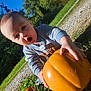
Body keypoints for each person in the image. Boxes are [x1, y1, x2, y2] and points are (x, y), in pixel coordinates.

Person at [0, 11, 85, 88]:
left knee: (76, 51)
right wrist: (40, 73)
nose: (23, 35)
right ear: (14, 42)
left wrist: (65, 42)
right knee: (53, 78)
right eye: (17, 36)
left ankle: (75, 51)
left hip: (67, 53)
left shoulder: (43, 30)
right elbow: (33, 62)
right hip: (57, 66)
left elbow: (56, 32)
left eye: (23, 28)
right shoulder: (27, 50)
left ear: (30, 23)